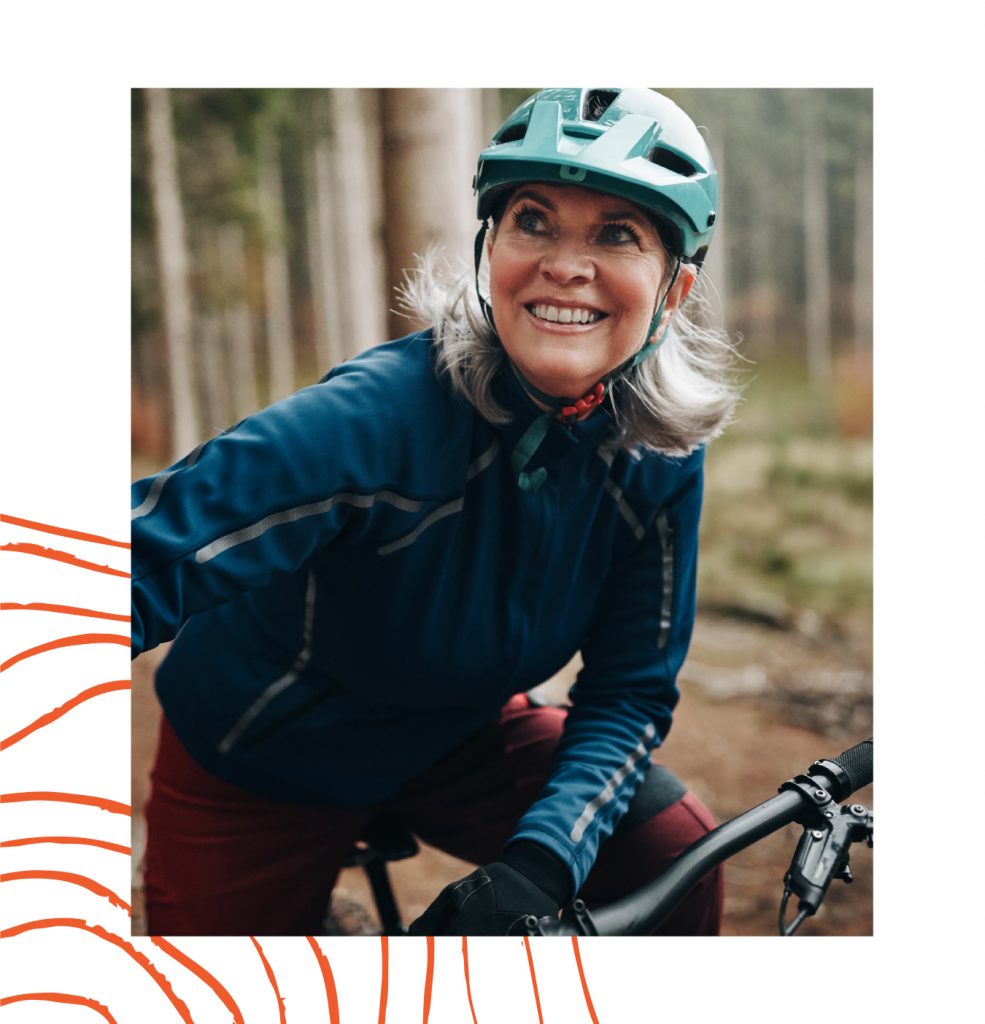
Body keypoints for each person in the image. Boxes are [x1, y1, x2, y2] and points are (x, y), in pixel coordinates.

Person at [131, 87, 739, 937]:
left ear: (674, 287)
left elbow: (630, 691)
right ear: (489, 249)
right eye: (532, 220)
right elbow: (122, 563)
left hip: (457, 736)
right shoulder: (374, 420)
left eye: (616, 234)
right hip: (264, 756)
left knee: (670, 857)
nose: (565, 264)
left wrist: (541, 861)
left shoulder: (657, 448)